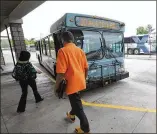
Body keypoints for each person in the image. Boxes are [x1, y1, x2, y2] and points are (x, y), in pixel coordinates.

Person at [55, 31, 90, 134]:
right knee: (75, 103)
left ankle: (85, 129)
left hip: (71, 84)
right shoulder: (80, 51)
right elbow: (86, 68)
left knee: (78, 107)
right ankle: (71, 115)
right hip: (81, 82)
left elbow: (61, 73)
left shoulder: (62, 51)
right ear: (73, 40)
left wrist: (56, 87)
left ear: (63, 40)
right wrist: (84, 79)